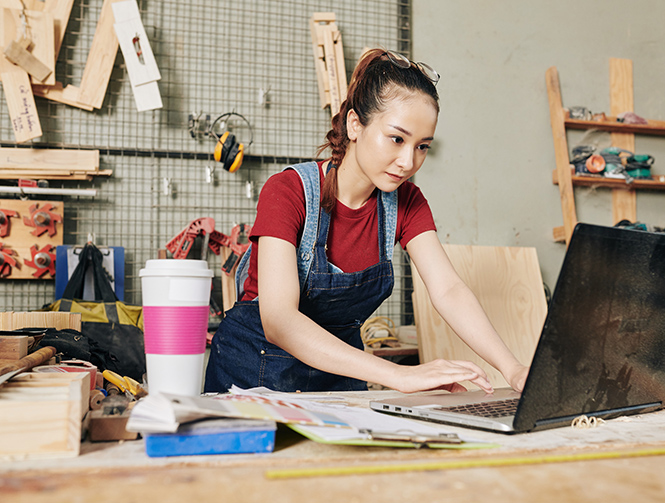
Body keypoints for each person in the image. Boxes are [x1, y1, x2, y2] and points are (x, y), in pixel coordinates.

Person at [204, 48, 529, 394]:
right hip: (253, 379)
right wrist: (400, 375)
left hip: (339, 383)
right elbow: (279, 321)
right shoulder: (288, 191)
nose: (408, 162)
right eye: (397, 138)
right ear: (355, 124)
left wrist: (514, 370)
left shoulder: (406, 202)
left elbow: (448, 290)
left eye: (422, 147)